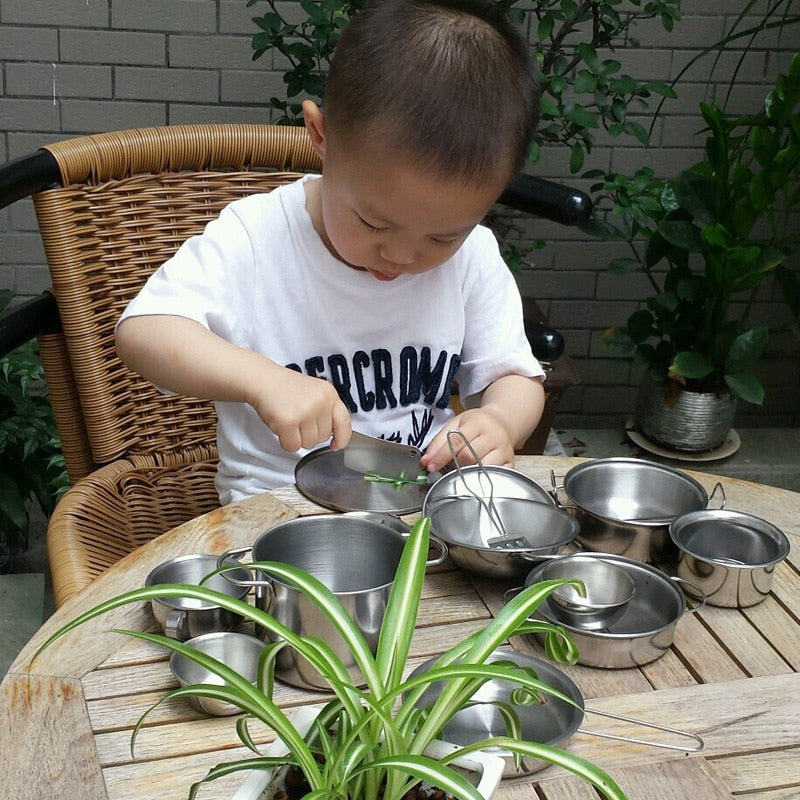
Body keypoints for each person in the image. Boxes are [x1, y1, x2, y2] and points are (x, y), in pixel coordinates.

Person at [116, 0, 546, 504]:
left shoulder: (473, 257)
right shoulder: (257, 239)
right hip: (276, 512)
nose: (401, 255)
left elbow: (516, 377)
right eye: (373, 222)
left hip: (418, 504)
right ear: (321, 136)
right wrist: (262, 380)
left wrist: (500, 419)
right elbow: (143, 331)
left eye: (442, 237)